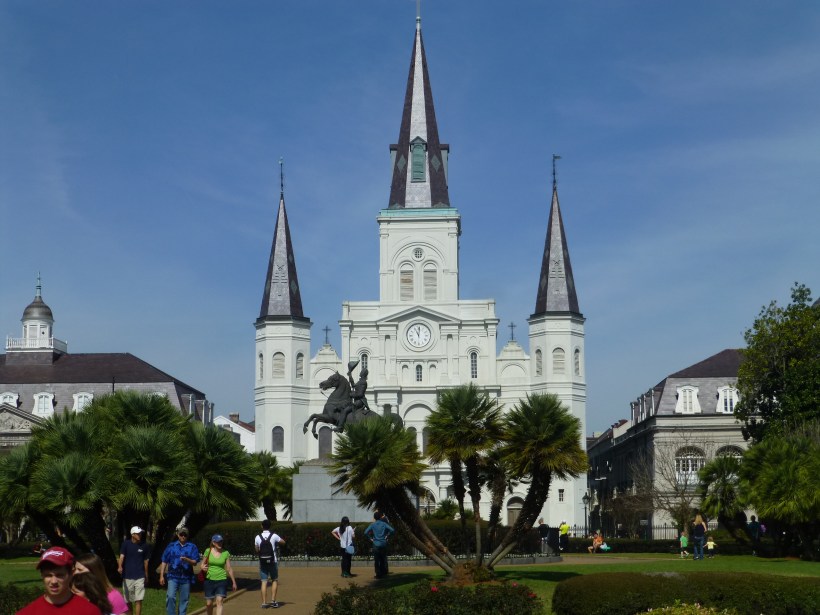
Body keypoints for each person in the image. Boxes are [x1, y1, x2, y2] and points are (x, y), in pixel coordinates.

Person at [16, 547, 100, 615]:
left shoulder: (89, 611)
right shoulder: (27, 613)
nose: (53, 581)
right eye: (48, 575)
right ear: (42, 576)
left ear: (71, 574)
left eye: (60, 575)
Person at [159, 527, 200, 615]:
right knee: (170, 597)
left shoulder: (192, 547)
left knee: (184, 600)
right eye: (181, 534)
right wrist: (161, 575)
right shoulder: (171, 546)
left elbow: (195, 562)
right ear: (178, 535)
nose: (183, 536)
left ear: (187, 536)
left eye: (185, 535)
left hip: (186, 577)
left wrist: (187, 560)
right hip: (172, 576)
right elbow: (164, 560)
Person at [201, 534, 237, 615]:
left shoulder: (226, 553)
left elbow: (229, 568)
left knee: (219, 601)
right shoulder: (208, 551)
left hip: (221, 580)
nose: (220, 543)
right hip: (209, 580)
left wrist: (233, 582)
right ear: (213, 543)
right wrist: (203, 567)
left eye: (221, 542)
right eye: (218, 542)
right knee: (209, 603)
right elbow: (202, 564)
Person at [118, 526, 150, 615]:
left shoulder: (145, 546)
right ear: (132, 534)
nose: (140, 535)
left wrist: (146, 575)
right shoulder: (125, 544)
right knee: (128, 600)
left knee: (138, 600)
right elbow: (121, 557)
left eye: (140, 533)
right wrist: (120, 566)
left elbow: (146, 562)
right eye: (138, 533)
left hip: (140, 576)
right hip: (127, 576)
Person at [255, 519, 286, 609]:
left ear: (262, 526)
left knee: (264, 582)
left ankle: (264, 603)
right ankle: (273, 601)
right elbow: (283, 542)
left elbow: (257, 550)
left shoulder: (257, 537)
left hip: (262, 561)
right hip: (273, 560)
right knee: (274, 580)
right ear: (270, 526)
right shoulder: (274, 535)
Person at [364, 511, 395, 579]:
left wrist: (371, 538)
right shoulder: (384, 524)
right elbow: (392, 530)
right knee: (383, 558)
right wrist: (387, 535)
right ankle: (384, 572)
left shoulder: (372, 524)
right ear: (380, 517)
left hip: (376, 543)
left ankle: (378, 574)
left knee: (377, 560)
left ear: (374, 518)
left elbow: (365, 532)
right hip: (383, 543)